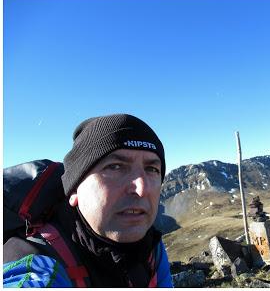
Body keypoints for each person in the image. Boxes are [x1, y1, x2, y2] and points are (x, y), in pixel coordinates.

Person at [3, 114, 173, 287]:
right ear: (74, 190)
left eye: (152, 169)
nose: (142, 188)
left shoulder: (152, 248)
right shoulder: (35, 261)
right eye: (115, 166)